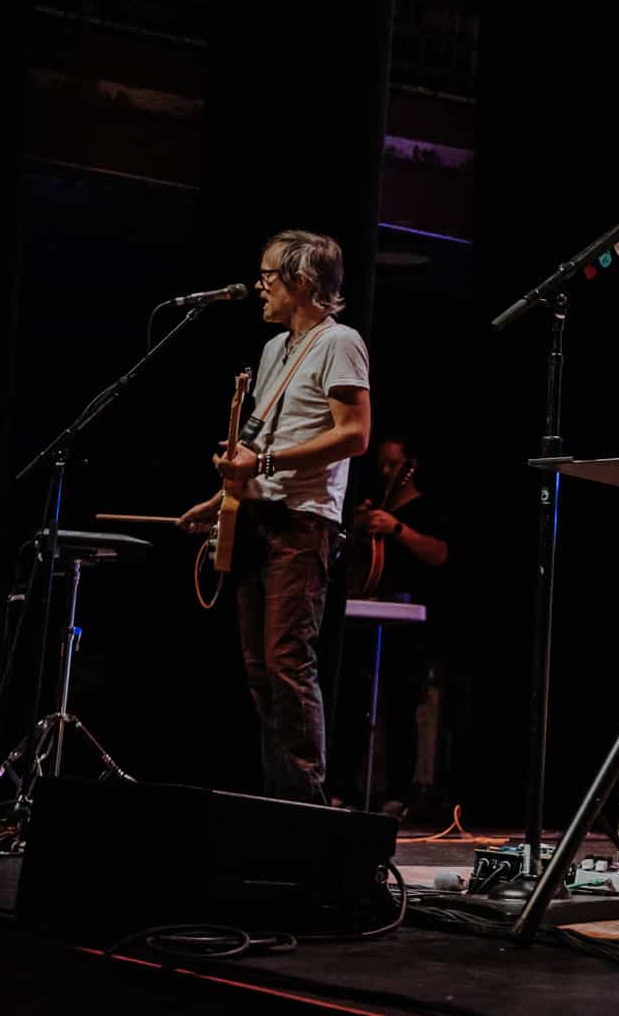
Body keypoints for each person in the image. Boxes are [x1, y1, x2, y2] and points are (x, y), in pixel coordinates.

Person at [180, 230, 372, 804]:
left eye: (268, 275)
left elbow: (355, 435)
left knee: (287, 663)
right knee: (260, 669)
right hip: (258, 515)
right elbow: (262, 442)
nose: (259, 286)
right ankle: (276, 801)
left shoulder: (340, 342)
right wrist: (224, 494)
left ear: (302, 282)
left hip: (302, 522)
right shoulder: (273, 350)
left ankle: (306, 806)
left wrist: (262, 461)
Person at [346, 434, 453, 816]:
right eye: (382, 465)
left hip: (409, 622)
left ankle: (398, 793)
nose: (386, 472)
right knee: (357, 701)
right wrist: (359, 524)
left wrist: (397, 529)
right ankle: (352, 786)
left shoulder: (426, 507)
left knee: (402, 702)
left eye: (393, 465)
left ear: (410, 468)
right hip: (367, 612)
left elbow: (440, 554)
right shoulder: (377, 506)